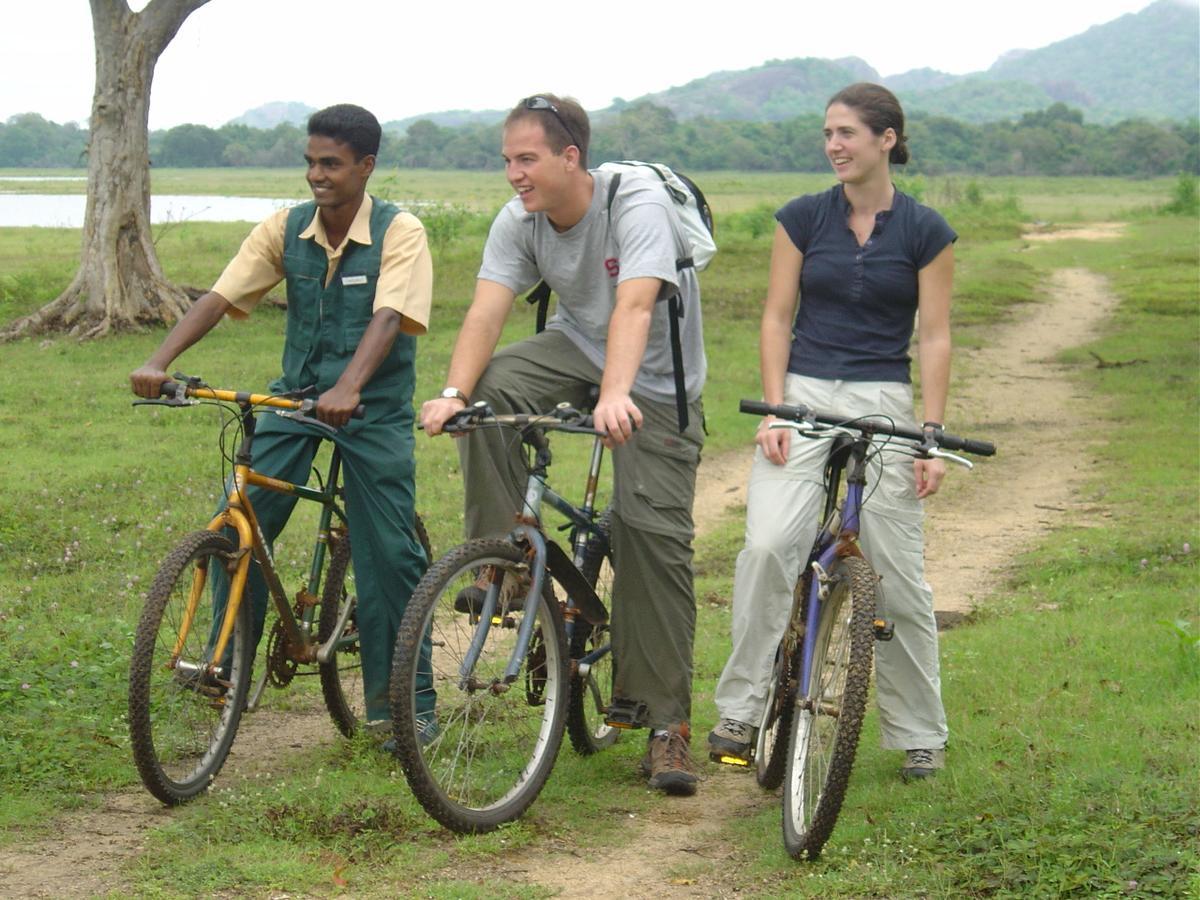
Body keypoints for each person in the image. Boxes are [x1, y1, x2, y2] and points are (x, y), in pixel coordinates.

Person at [420, 94, 707, 796]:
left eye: (527, 159)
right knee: (490, 397)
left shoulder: (635, 201)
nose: (514, 174)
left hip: (659, 379)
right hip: (578, 348)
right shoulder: (519, 220)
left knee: (651, 536)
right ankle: (508, 563)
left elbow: (636, 305)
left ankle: (665, 725)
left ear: (569, 157)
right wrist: (454, 396)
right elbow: (487, 309)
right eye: (507, 161)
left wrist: (618, 394)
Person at [129, 103, 432, 731]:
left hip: (369, 409)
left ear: (365, 166)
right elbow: (220, 296)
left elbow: (389, 316)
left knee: (389, 556)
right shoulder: (285, 228)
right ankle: (229, 671)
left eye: (332, 163)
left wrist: (350, 386)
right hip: (294, 399)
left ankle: (402, 711)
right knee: (239, 523)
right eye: (310, 162)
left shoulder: (401, 233)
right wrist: (159, 360)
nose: (317, 175)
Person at [707, 83, 957, 781]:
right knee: (767, 545)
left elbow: (933, 336)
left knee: (897, 575)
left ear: (886, 139)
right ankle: (742, 710)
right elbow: (775, 317)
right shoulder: (802, 219)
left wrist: (929, 434)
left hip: (884, 394)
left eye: (846, 132)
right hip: (805, 392)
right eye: (828, 134)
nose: (834, 146)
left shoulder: (926, 231)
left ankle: (919, 733)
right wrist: (777, 407)